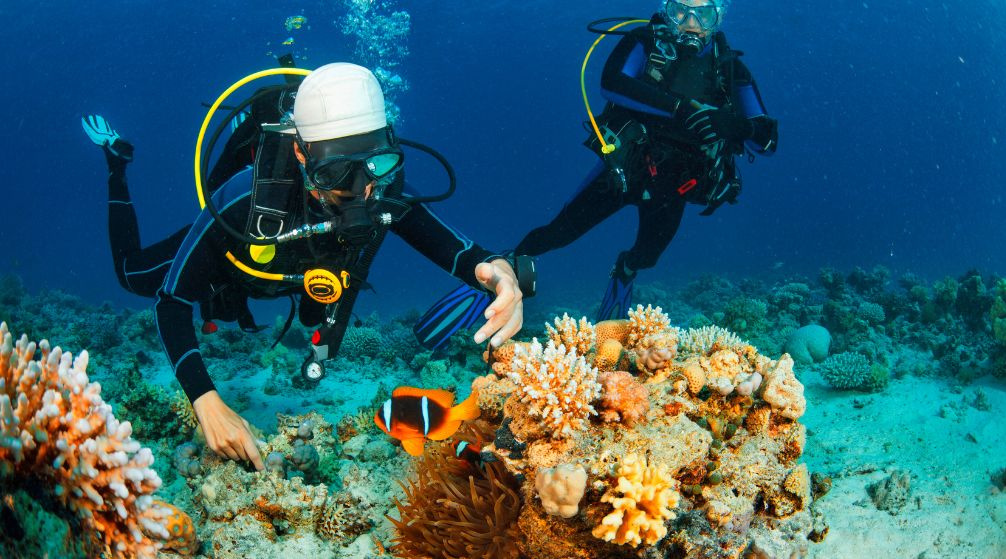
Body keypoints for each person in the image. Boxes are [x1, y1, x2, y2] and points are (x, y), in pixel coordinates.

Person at [82, 63, 532, 470]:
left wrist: (500, 272)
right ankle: (116, 165)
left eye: (375, 163)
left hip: (310, 278)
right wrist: (205, 399)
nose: (360, 190)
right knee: (133, 276)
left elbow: (462, 254)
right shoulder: (243, 200)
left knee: (326, 302)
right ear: (302, 155)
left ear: (390, 146)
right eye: (335, 173)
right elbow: (172, 301)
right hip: (234, 267)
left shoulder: (386, 190)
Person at [514, 0, 778, 321]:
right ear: (667, 10)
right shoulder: (645, 41)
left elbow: (767, 140)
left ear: (719, 17)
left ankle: (624, 271)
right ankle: (504, 266)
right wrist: (681, 108)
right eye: (681, 12)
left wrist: (735, 124)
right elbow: (611, 83)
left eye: (703, 14)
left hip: (677, 185)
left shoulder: (730, 69)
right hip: (626, 169)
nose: (691, 23)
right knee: (558, 233)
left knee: (647, 256)